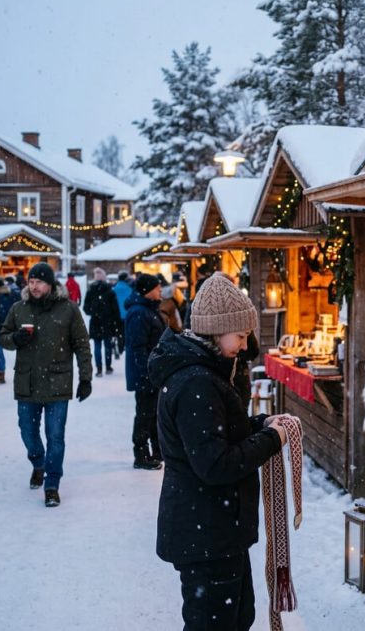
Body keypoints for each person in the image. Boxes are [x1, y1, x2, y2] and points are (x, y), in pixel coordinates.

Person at [149, 271, 293, 631]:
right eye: (241, 336)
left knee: (237, 618)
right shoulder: (197, 382)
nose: (245, 346)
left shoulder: (206, 375)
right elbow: (215, 464)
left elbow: (222, 435)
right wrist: (272, 440)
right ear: (217, 330)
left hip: (216, 530)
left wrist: (260, 425)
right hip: (206, 533)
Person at [0, 262, 92, 508]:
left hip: (57, 382)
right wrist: (15, 338)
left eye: (39, 282)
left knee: (55, 436)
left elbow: (82, 345)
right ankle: (38, 463)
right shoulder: (19, 309)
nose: (34, 286)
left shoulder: (68, 310)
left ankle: (52, 484)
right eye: (31, 281)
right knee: (27, 432)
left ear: (50, 284)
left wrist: (86, 378)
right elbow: (3, 337)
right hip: (27, 382)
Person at [124, 273, 166, 470]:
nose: (160, 291)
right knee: (145, 414)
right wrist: (147, 372)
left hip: (154, 372)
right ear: (147, 291)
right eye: (157, 288)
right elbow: (137, 347)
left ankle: (157, 450)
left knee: (154, 413)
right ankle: (141, 454)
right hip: (146, 374)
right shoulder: (139, 313)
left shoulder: (149, 310)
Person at [83, 267, 122, 376]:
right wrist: (115, 321)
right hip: (107, 322)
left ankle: (99, 369)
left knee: (97, 345)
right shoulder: (109, 290)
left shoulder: (91, 290)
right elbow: (115, 309)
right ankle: (108, 367)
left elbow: (86, 308)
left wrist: (93, 312)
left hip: (95, 322)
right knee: (108, 345)